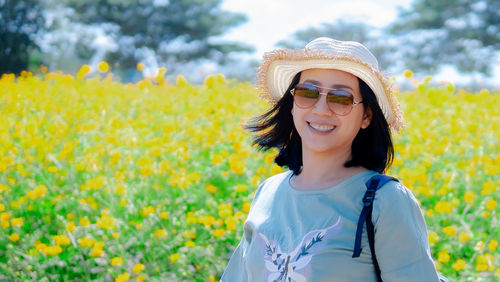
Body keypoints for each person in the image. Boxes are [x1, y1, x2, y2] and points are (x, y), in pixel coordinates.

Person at [220, 37, 441, 281]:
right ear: (292, 104)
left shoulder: (385, 201)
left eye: (340, 98)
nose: (321, 109)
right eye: (307, 92)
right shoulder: (268, 192)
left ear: (366, 115)